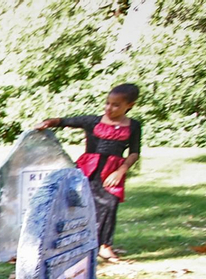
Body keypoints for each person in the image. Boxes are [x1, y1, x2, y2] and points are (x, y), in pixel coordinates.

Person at [37, 83, 143, 261]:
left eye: (116, 105)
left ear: (130, 105)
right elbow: (65, 121)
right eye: (107, 103)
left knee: (109, 205)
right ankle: (70, 240)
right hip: (88, 169)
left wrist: (121, 171)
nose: (109, 108)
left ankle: (104, 246)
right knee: (80, 203)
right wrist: (48, 123)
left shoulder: (133, 126)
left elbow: (134, 152)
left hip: (112, 171)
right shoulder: (93, 121)